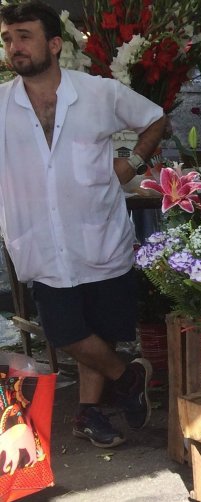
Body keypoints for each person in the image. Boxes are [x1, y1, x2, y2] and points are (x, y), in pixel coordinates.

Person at [0, 2, 168, 449]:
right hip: (41, 241)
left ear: (54, 44)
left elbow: (154, 117)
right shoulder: (1, 106)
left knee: (101, 329)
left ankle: (89, 413)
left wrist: (131, 163)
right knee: (66, 332)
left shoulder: (98, 93)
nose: (14, 47)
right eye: (8, 38)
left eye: (24, 36)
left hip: (99, 233)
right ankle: (129, 378)